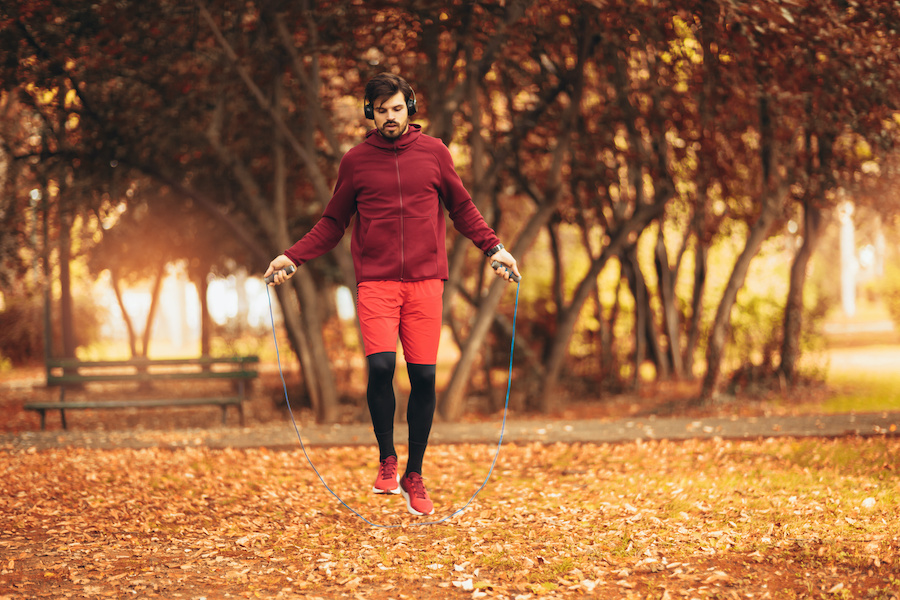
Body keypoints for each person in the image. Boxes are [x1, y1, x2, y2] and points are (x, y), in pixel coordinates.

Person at [265, 73, 520, 516]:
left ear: (410, 107)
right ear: (370, 112)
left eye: (396, 108)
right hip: (377, 284)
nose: (389, 117)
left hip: (425, 284)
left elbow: (461, 208)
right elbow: (332, 223)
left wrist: (495, 249)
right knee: (381, 367)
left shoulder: (435, 153)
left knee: (423, 379)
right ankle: (387, 458)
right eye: (381, 110)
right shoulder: (356, 162)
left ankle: (414, 474)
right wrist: (291, 257)